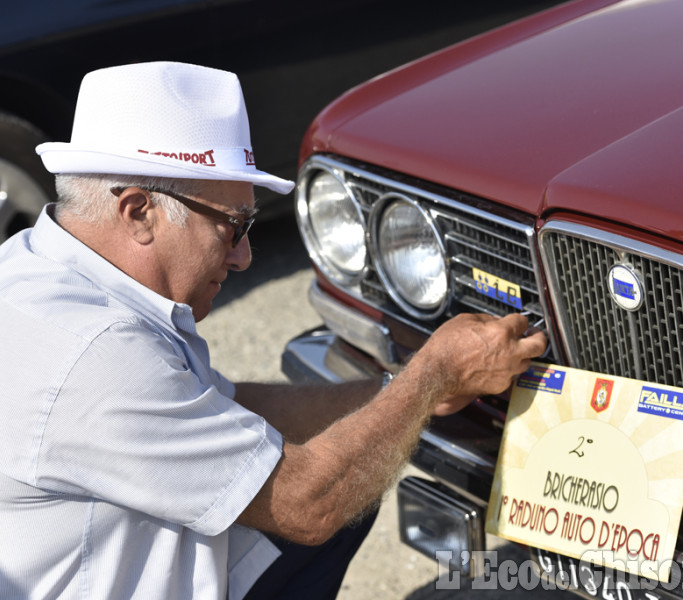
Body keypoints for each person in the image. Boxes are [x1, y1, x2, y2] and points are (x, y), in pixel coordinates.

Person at [0, 62, 547, 599]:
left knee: (363, 448)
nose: (243, 257)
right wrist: (433, 373)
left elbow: (224, 405)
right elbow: (306, 505)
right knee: (338, 486)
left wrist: (398, 394)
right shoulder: (99, 356)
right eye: (232, 226)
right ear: (139, 211)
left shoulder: (34, 269)